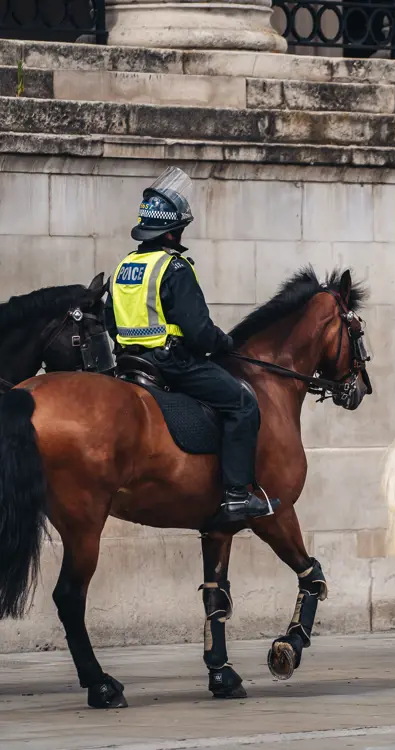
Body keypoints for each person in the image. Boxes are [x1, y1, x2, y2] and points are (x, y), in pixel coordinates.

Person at [105, 166, 272, 525]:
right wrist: (223, 342)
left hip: (130, 364)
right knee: (242, 402)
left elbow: (110, 320)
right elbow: (198, 332)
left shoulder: (125, 267)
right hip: (173, 364)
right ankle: (237, 495)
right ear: (172, 231)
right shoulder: (174, 268)